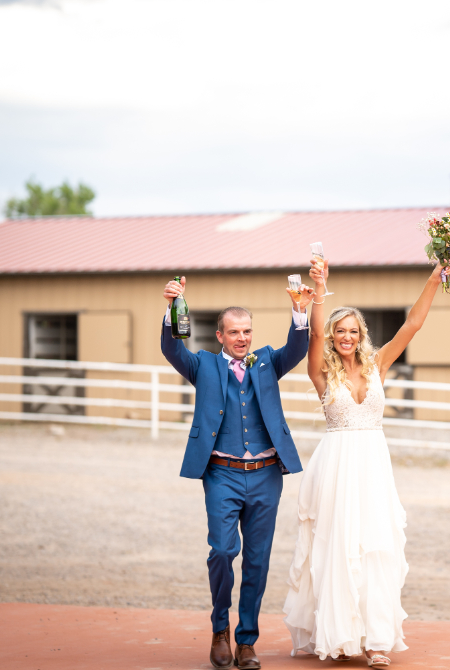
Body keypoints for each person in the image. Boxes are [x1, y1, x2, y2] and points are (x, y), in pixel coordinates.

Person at [283, 259, 450, 668]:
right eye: (340, 331)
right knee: (339, 548)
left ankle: (376, 641)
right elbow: (315, 335)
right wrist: (320, 290)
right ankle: (341, 637)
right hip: (337, 466)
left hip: (374, 465)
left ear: (361, 336)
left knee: (376, 546)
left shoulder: (378, 366)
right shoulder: (321, 371)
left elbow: (412, 325)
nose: (345, 336)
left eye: (352, 331)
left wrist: (434, 277)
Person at [161, 275, 314, 670]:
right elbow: (171, 349)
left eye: (247, 331)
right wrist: (171, 309)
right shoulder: (204, 366)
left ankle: (246, 641)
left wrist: (299, 309)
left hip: (266, 474)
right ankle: (219, 629)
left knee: (258, 560)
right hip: (221, 474)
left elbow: (298, 348)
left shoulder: (267, 362)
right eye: (234, 332)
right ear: (220, 335)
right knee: (224, 551)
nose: (242, 338)